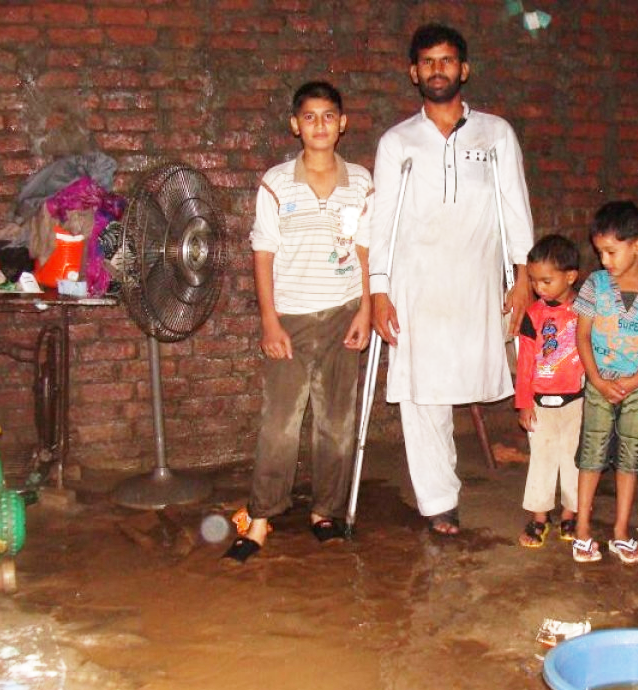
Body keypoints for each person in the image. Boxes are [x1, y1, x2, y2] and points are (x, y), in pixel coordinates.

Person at [369, 23, 534, 535]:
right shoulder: (398, 142)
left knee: (506, 372)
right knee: (423, 392)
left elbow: (514, 204)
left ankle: (554, 484)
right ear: (414, 72)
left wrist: (523, 274)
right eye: (428, 62)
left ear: (464, 70)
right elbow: (383, 222)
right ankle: (439, 499)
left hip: (479, 282)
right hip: (416, 286)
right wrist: (379, 290)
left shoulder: (496, 133)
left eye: (447, 61)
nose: (438, 69)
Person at [223, 81, 373, 563]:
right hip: (290, 317)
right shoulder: (276, 182)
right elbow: (262, 253)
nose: (320, 125)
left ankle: (325, 511)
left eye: (329, 116)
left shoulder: (363, 183)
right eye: (310, 117)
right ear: (295, 125)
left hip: (344, 313)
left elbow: (369, 251)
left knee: (337, 421)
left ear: (343, 123)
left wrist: (366, 309)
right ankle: (261, 516)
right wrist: (270, 321)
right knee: (280, 423)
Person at [571, 200, 638, 564]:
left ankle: (620, 531)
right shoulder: (595, 286)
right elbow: (582, 337)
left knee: (629, 459)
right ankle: (583, 530)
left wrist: (636, 380)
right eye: (600, 252)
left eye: (611, 252)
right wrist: (597, 380)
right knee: (592, 454)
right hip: (599, 385)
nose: (604, 261)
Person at [515, 234, 584, 548]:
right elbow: (526, 362)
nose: (538, 287)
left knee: (573, 459)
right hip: (541, 402)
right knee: (542, 459)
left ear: (570, 276)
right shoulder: (533, 316)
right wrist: (524, 402)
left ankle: (571, 514)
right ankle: (539, 518)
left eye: (546, 280)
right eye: (533, 281)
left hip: (577, 400)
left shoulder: (585, 311)